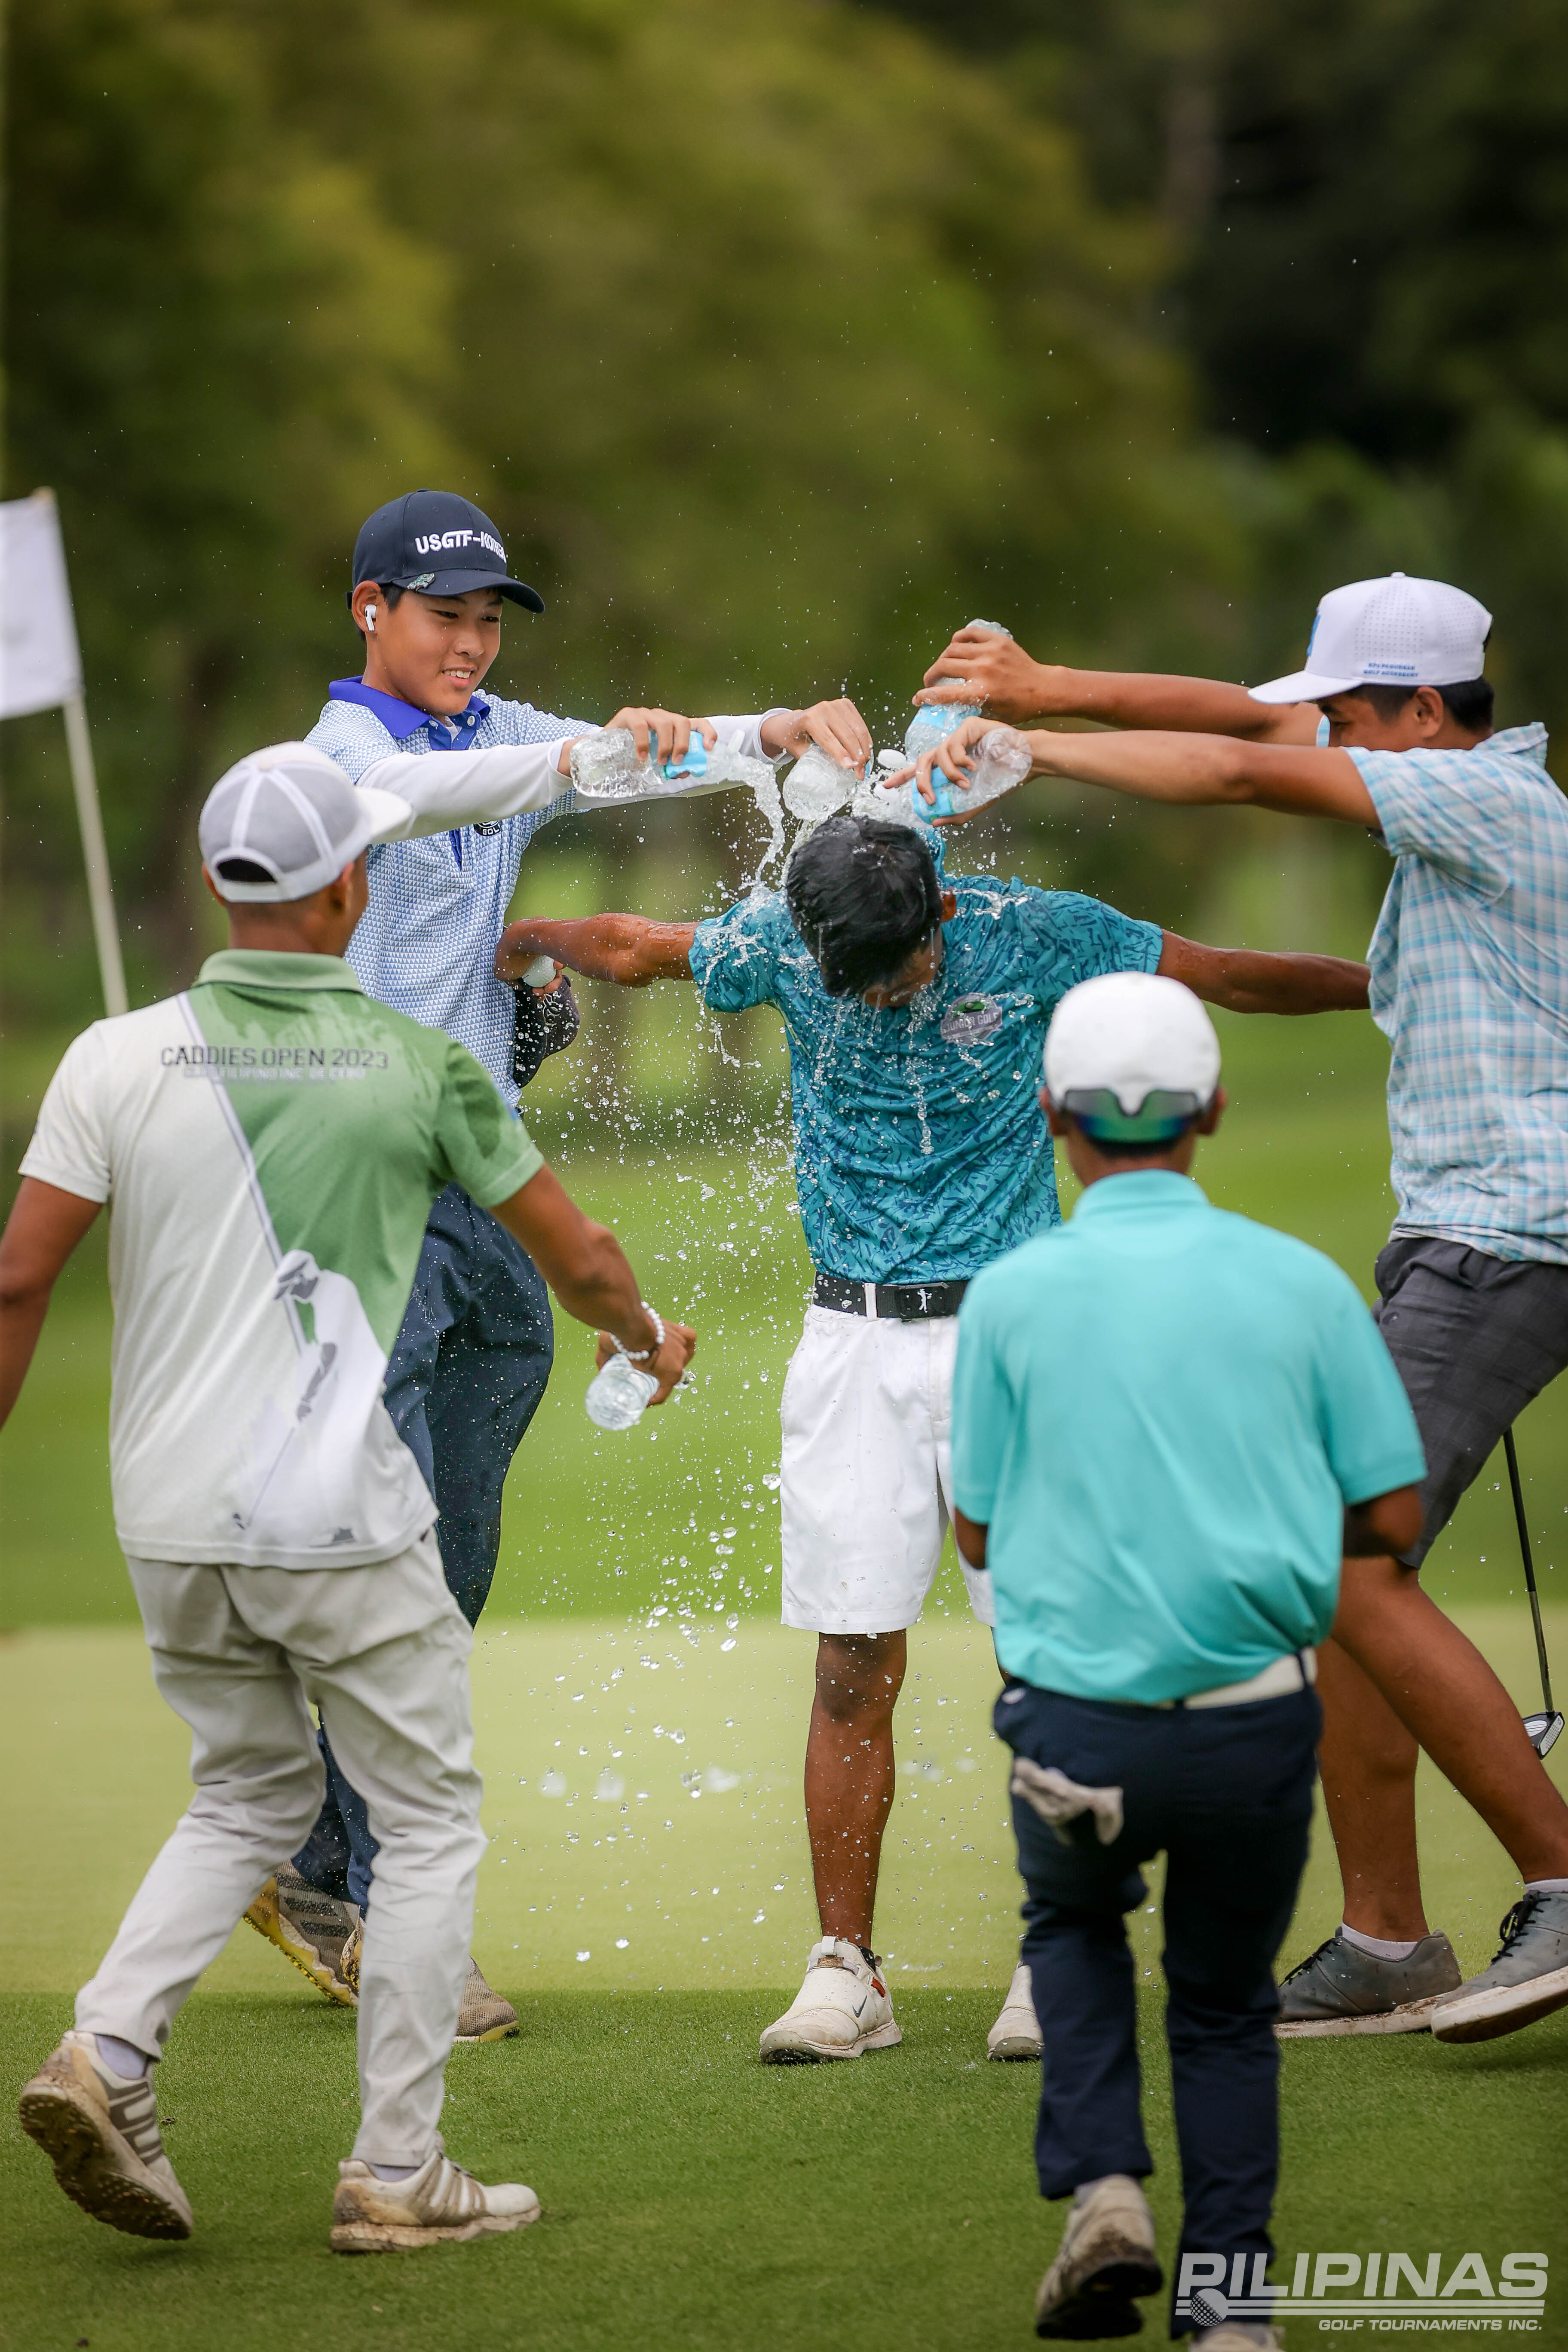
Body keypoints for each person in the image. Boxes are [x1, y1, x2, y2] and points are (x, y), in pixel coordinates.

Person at [493, 810, 1370, 2063]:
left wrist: (1390, 985)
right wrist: (517, 936)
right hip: (850, 1341)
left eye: (891, 969)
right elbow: (634, 947)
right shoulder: (795, 940)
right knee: (851, 1658)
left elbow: (1224, 974)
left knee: (1051, 1650)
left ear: (941, 913)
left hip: (1017, 1332)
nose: (873, 994)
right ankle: (847, 1972)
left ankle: (1059, 1955)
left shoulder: (1038, 933)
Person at [3, 749, 693, 2252]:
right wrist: (649, 1341)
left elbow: (14, 1282)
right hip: (336, 1517)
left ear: (217, 888)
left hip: (165, 1524)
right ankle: (396, 2171)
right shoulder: (421, 1060)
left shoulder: (109, 1057)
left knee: (251, 1785)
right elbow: (575, 1261)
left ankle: (108, 2052)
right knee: (428, 1815)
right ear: (351, 890)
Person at [253, 486, 874, 2037]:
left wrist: (773, 730)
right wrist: (583, 756)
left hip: (473, 1178)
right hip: (350, 1178)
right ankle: (393, 1906)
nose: (466, 640)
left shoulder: (503, 727)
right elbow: (456, 793)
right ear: (366, 612)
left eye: (485, 619)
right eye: (438, 612)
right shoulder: (338, 766)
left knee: (453, 1552)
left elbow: (612, 756)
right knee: (388, 1555)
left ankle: (313, 1855)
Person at [915, 571, 1568, 2043]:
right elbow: (1242, 716)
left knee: (1341, 1564)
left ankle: (1561, 1875)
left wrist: (1037, 752)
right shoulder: (1444, 766)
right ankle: (1390, 1939)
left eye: (1344, 714)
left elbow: (1230, 765)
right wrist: (1045, 684)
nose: (1320, 732)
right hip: (1480, 1235)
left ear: (1416, 714)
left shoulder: (1486, 800)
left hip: (1510, 1239)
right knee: (1339, 1581)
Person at [951, 970, 1425, 2348]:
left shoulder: (1015, 1293)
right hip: (1249, 1725)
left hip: (1073, 1729)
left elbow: (975, 1520)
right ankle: (1230, 2306)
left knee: (1078, 1934)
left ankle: (1104, 2190)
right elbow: (1392, 1518)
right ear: (1212, 1109)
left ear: (1053, 1115)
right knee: (1221, 2009)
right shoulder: (1299, 1281)